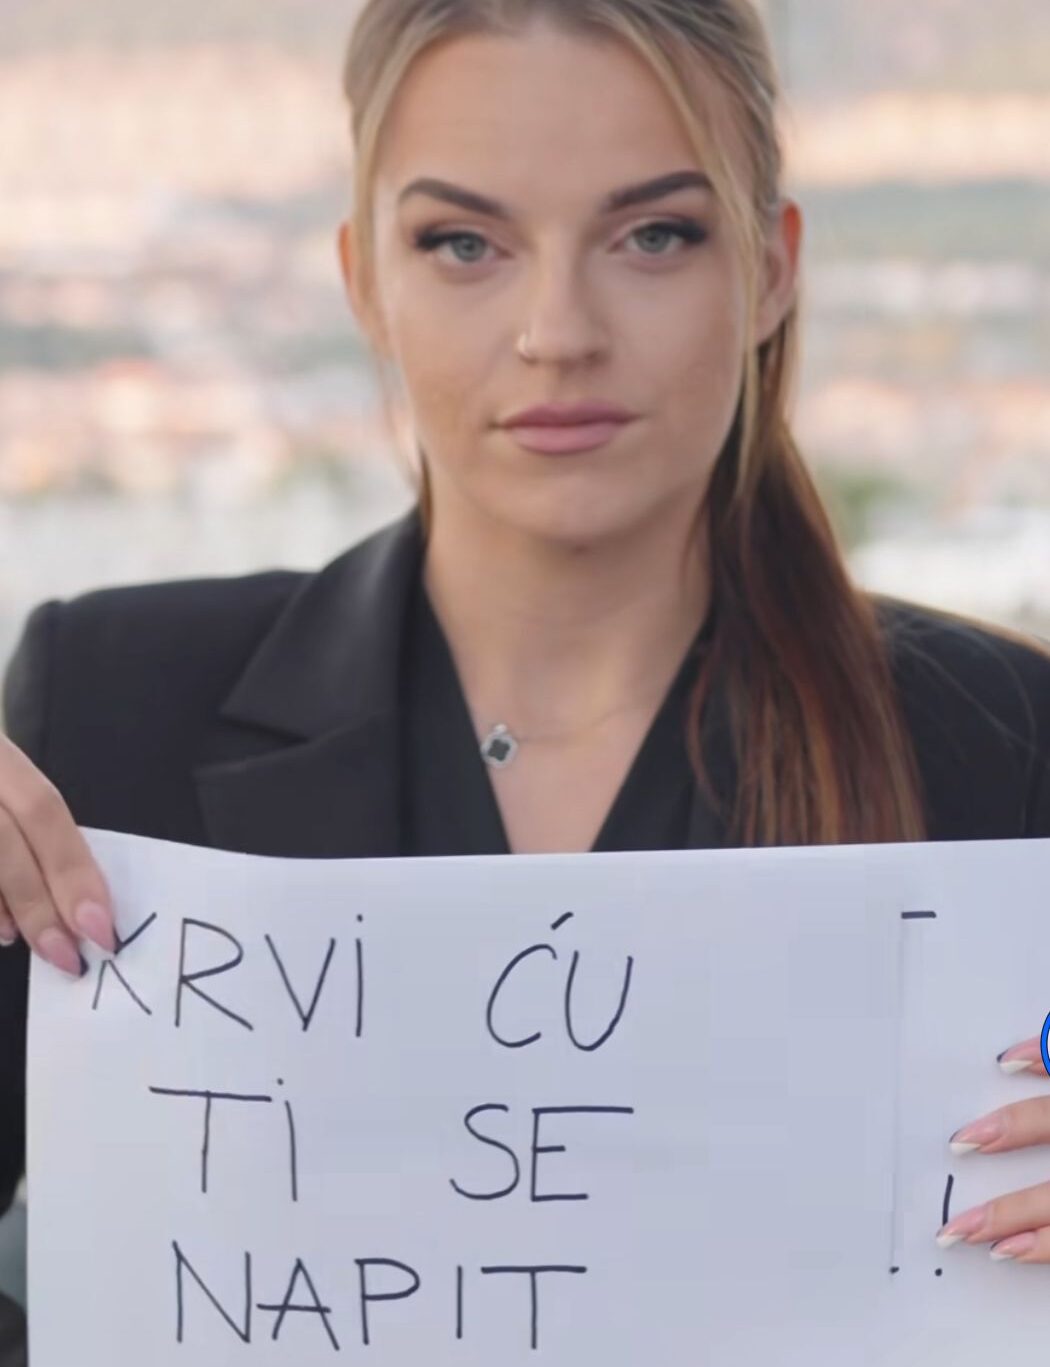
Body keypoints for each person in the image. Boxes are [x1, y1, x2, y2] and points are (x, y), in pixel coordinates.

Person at [0, 0, 1048, 1291]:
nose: (558, 330)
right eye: (464, 244)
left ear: (772, 271)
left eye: (653, 235)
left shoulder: (1003, 744)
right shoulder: (105, 716)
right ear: (363, 280)